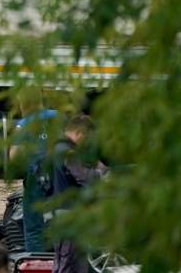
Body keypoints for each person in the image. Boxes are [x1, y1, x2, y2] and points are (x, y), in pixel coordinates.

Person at [51, 114, 108, 273]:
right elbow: (86, 178)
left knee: (73, 264)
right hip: (69, 216)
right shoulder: (68, 153)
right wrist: (102, 172)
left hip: (65, 214)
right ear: (79, 132)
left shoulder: (59, 148)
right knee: (67, 265)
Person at [10, 107, 59, 253]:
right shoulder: (61, 117)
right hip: (62, 175)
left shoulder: (24, 123)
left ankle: (36, 263)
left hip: (37, 176)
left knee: (33, 226)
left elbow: (14, 157)